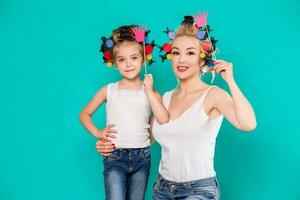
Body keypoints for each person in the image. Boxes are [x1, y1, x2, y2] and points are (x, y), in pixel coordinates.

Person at [96, 15, 257, 200]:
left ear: (201, 58)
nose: (181, 60)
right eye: (176, 53)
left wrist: (230, 81)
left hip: (199, 190)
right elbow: (142, 138)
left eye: (190, 53)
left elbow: (248, 124)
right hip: (162, 189)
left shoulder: (213, 95)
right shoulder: (164, 98)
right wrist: (109, 145)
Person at [79, 25, 169, 200]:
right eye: (121, 60)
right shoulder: (109, 90)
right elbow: (84, 114)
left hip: (142, 157)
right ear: (114, 63)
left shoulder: (150, 91)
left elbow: (163, 119)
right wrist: (98, 132)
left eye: (134, 58)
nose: (128, 64)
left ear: (143, 59)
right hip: (114, 155)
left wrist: (150, 92)